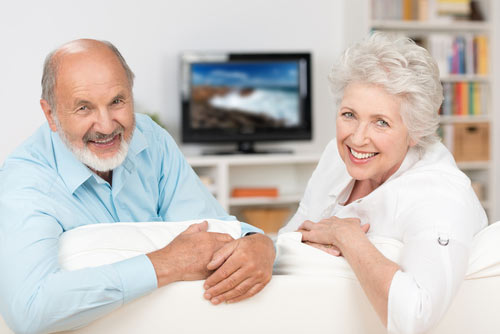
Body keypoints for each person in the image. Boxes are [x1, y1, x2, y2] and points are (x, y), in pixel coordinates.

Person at [0, 39, 275, 333]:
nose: (106, 126)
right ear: (50, 115)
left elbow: (212, 230)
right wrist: (165, 263)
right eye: (84, 108)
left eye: (117, 101)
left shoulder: (150, 137)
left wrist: (259, 244)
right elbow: (29, 309)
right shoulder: (24, 181)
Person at [279, 32, 487, 334]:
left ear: (415, 131)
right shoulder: (337, 157)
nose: (358, 137)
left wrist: (347, 237)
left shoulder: (441, 196)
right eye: (349, 115)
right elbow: (288, 237)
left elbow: (415, 315)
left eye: (381, 122)